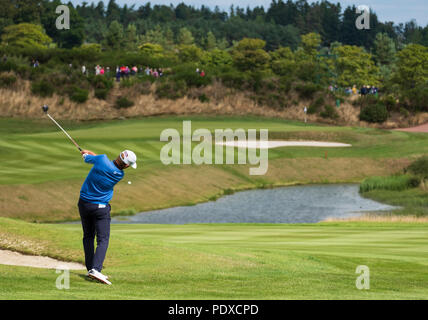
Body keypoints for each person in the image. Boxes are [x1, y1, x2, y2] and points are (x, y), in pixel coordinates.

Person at [78, 149, 137, 285]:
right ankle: (95, 269)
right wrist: (90, 155)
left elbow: (89, 159)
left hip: (84, 204)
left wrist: (87, 154)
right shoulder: (119, 174)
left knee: (88, 236)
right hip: (100, 209)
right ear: (126, 165)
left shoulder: (102, 159)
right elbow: (97, 160)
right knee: (103, 239)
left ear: (119, 155)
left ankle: (90, 268)